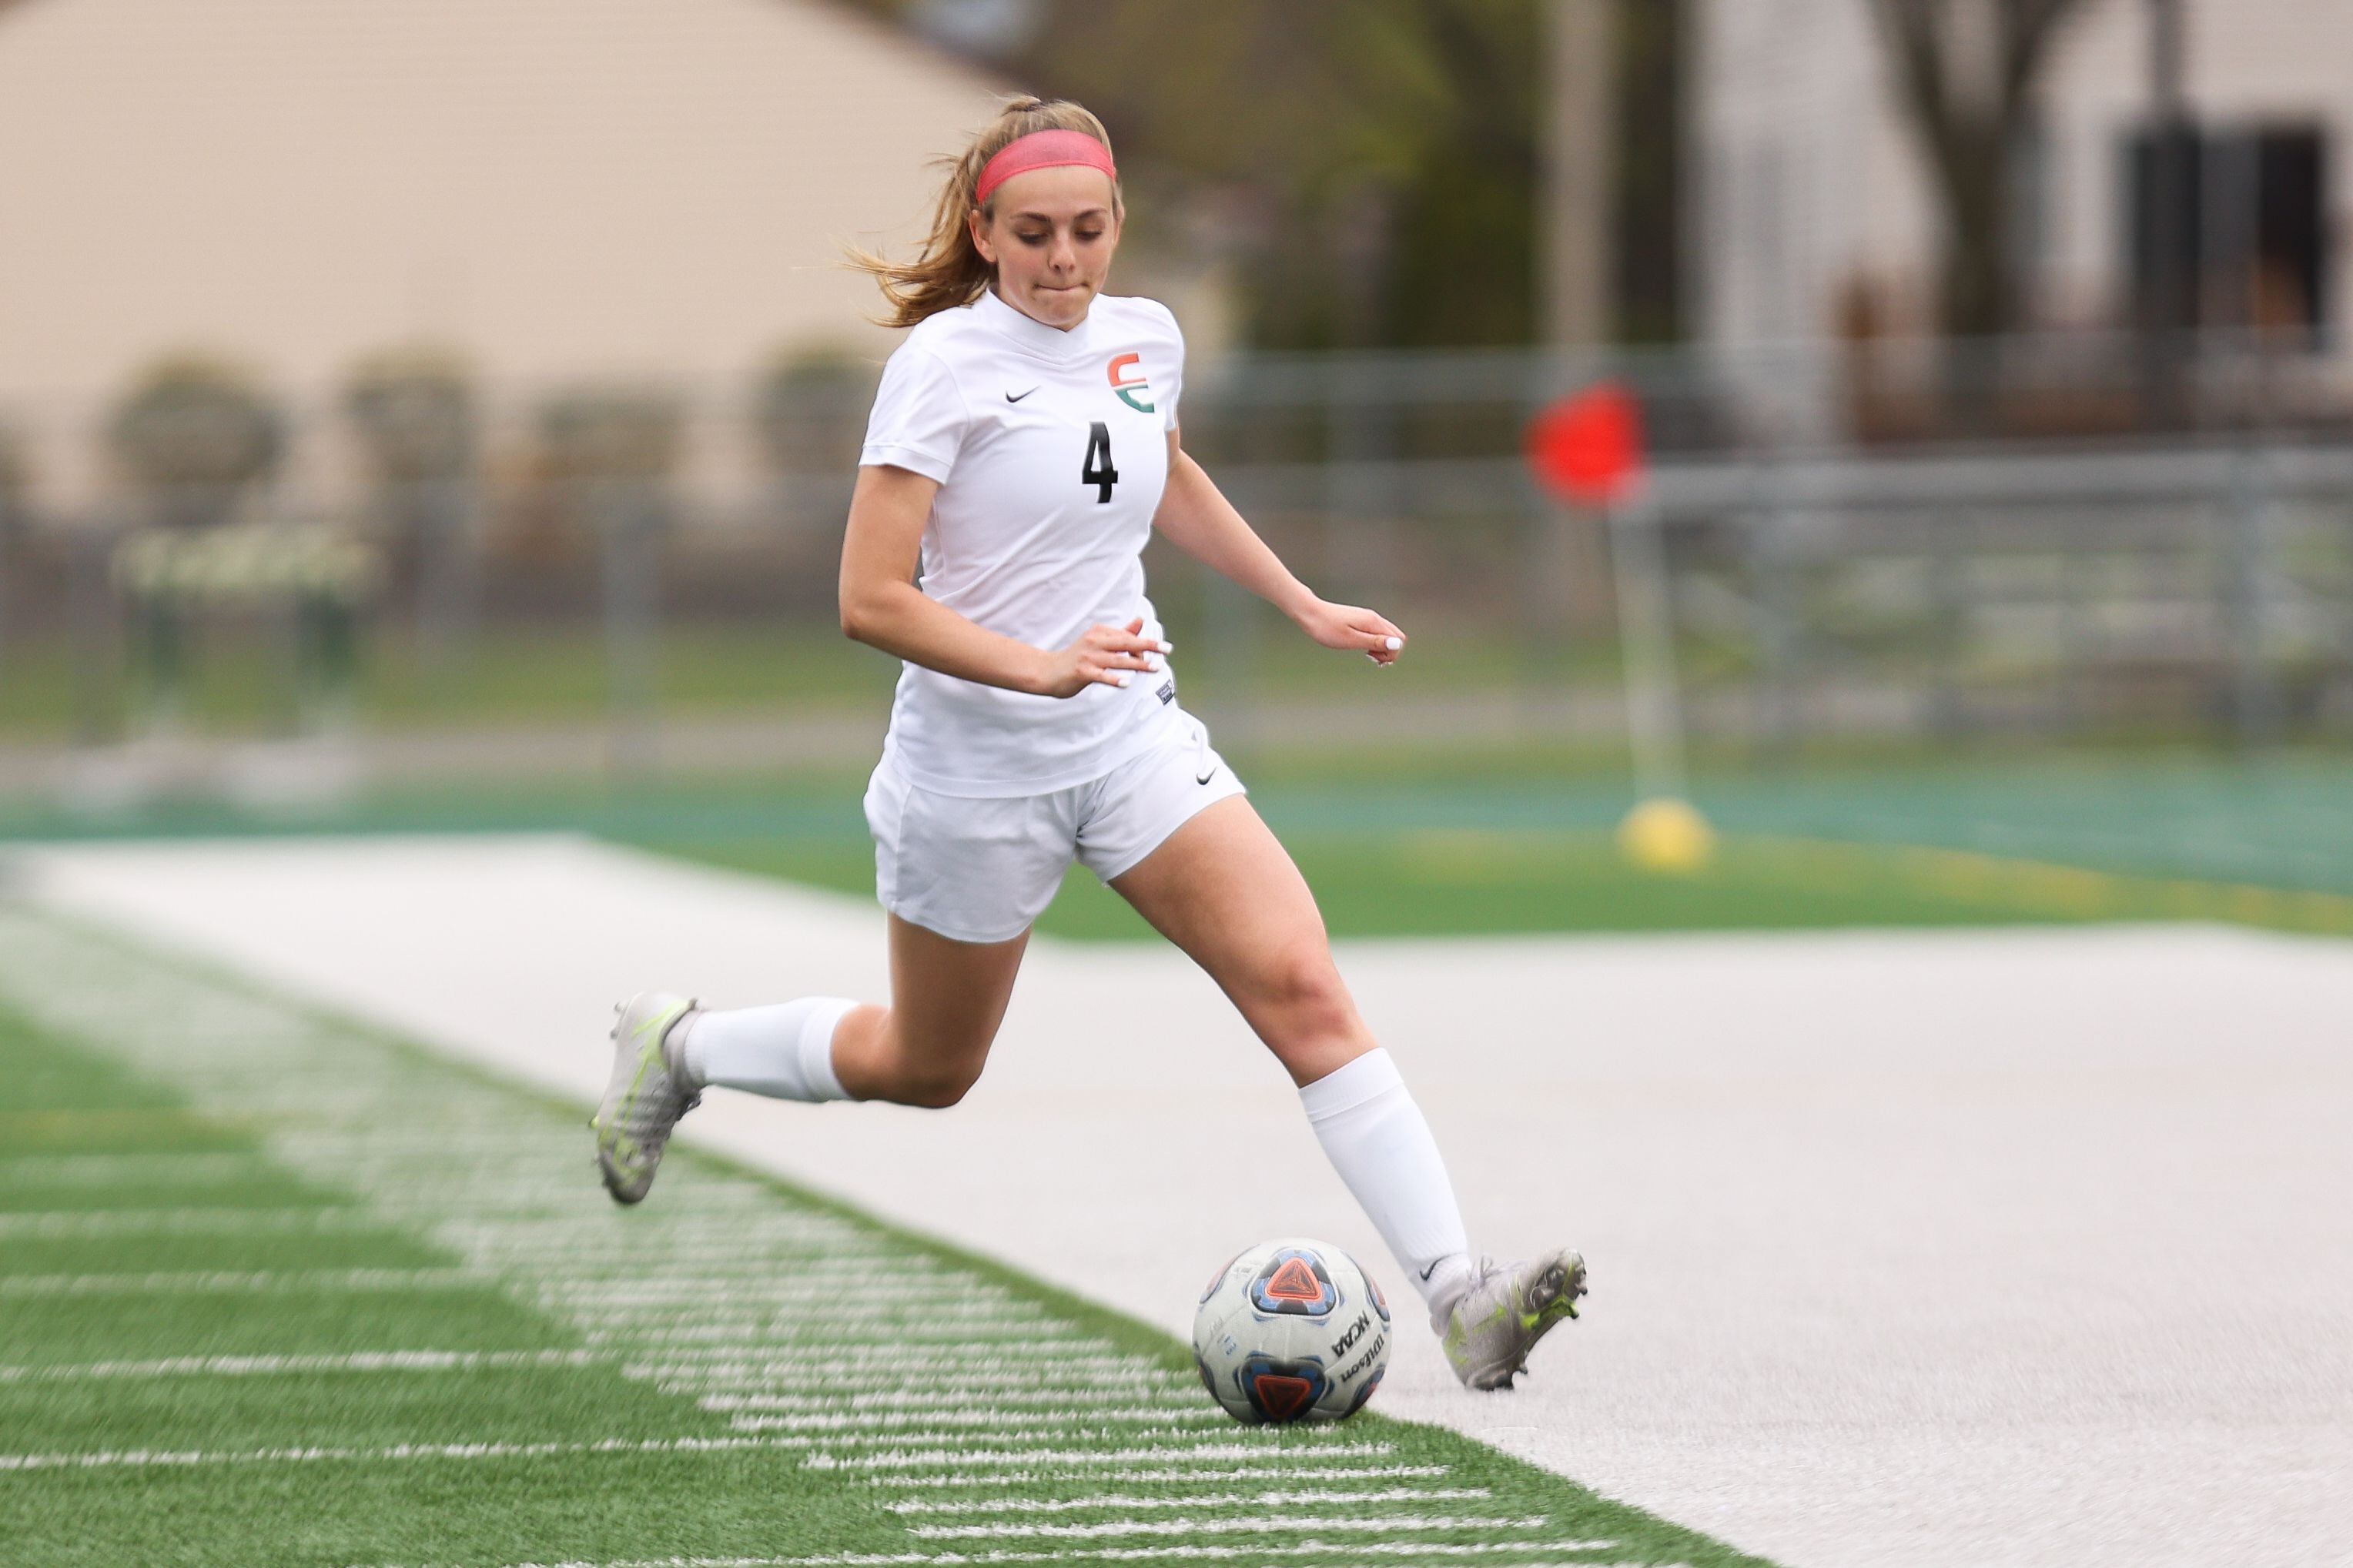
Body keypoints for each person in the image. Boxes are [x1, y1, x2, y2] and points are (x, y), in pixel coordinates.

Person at [591, 98, 1583, 1391]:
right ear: (987, 236)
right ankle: (679, 1047)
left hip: (1131, 739)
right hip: (973, 773)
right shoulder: (942, 365)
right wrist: (1037, 665)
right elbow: (868, 598)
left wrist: (1301, 600)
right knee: (928, 1064)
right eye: (1036, 235)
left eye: (1090, 231)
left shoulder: (1144, 337)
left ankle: (1461, 1296)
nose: (1065, 261)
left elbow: (1164, 475)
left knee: (1306, 990)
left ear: (1121, 225)